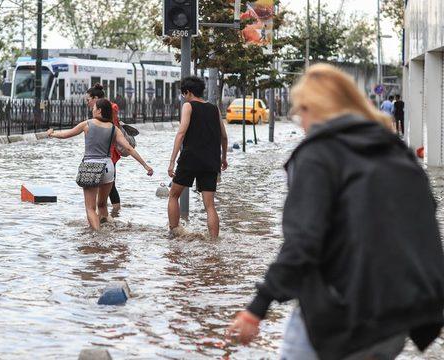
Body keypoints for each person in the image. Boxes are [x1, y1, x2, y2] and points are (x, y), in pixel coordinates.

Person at [227, 64, 444, 360]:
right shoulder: (393, 148)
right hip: (395, 317)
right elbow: (424, 216)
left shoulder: (318, 154)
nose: (300, 122)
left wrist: (257, 308)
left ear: (312, 108)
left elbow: (303, 241)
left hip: (339, 314)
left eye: (300, 112)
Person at [47, 98, 153, 230]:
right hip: (108, 168)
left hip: (91, 166)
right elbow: (129, 148)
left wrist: (52, 134)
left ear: (99, 110)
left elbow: (66, 135)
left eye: (94, 108)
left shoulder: (87, 124)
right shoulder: (114, 129)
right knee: (102, 205)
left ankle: (97, 237)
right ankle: (106, 234)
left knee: (90, 208)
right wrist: (145, 165)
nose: (92, 109)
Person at [167, 76, 228, 238]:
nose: (184, 97)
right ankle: (214, 242)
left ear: (187, 92)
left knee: (173, 195)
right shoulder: (214, 109)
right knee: (209, 205)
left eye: (183, 94)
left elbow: (181, 133)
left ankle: (174, 233)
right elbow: (224, 136)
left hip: (190, 158)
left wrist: (172, 162)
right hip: (211, 160)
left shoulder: (188, 106)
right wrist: (223, 158)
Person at [85, 84, 123, 214]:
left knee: (110, 184)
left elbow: (110, 129)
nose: (88, 103)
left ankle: (115, 211)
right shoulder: (107, 109)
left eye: (88, 100)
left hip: (108, 152)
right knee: (107, 184)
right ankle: (109, 213)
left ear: (96, 98)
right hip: (104, 152)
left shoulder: (110, 108)